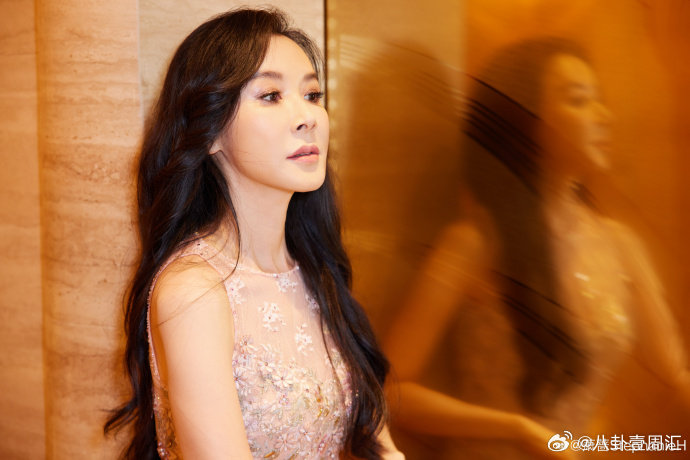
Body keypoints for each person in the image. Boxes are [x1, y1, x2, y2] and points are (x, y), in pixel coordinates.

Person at [104, 8, 403, 459]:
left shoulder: (314, 270)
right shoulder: (194, 292)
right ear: (209, 131)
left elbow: (380, 444)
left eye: (312, 94)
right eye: (271, 95)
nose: (307, 117)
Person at [384, 37, 689, 459]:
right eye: (579, 100)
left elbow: (675, 372)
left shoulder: (620, 245)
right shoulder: (477, 243)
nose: (604, 116)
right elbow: (392, 392)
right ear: (525, 121)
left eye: (599, 100)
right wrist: (519, 429)